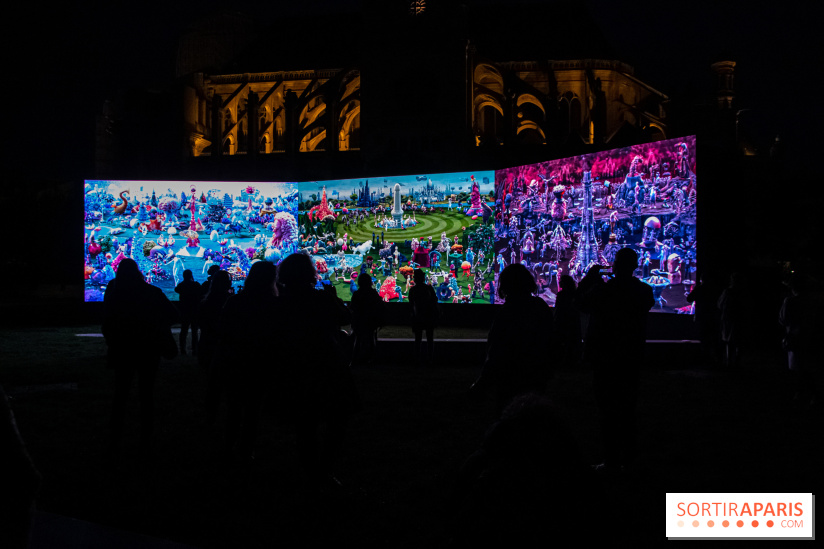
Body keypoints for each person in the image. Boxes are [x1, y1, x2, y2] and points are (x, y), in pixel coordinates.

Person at [273, 253, 357, 491]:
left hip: (295, 366)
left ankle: (313, 472)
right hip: (325, 363)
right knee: (336, 419)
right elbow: (345, 317)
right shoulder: (320, 298)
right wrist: (333, 298)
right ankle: (323, 471)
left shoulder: (281, 302)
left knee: (305, 424)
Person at [576, 248, 654, 473]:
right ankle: (629, 458)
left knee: (607, 410)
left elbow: (580, 303)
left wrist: (591, 278)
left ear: (616, 265)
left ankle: (611, 459)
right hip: (631, 355)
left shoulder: (604, 291)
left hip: (606, 355)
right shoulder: (644, 291)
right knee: (628, 408)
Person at [102, 258, 178, 460]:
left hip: (123, 350)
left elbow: (106, 324)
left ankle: (114, 440)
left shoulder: (115, 296)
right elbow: (173, 314)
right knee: (147, 394)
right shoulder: (151, 293)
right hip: (148, 350)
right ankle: (146, 439)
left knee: (121, 394)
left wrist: (114, 341)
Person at [471, 263, 553, 412]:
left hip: (511, 376)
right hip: (537, 374)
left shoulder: (508, 312)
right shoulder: (540, 306)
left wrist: (482, 382)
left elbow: (496, 350)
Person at [219, 261, 278, 462]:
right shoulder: (273, 304)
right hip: (259, 363)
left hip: (237, 360)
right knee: (252, 410)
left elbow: (224, 332)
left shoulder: (236, 301)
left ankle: (228, 449)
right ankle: (245, 451)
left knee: (234, 408)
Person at [779, 272, 820, 408]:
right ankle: (806, 394)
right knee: (809, 367)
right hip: (813, 337)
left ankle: (807, 394)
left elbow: (783, 320)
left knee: (801, 368)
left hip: (796, 338)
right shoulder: (815, 301)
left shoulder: (790, 301)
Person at [200, 270, 233, 424]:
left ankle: (209, 416)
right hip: (223, 345)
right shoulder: (229, 302)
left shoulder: (206, 302)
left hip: (208, 344)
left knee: (211, 382)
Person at [350, 272, 386, 366]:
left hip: (360, 321)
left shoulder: (357, 294)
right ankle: (372, 359)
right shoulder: (373, 293)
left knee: (358, 340)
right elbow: (380, 305)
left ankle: (354, 360)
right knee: (371, 339)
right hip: (370, 321)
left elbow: (353, 307)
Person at [408, 268, 438, 364]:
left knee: (418, 338)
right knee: (429, 338)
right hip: (428, 315)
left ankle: (417, 358)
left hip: (419, 316)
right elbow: (435, 300)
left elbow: (411, 303)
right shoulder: (428, 288)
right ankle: (430, 358)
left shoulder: (413, 290)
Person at [553, 274, 581, 368]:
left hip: (563, 320)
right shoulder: (575, 294)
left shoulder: (561, 295)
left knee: (563, 342)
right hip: (573, 320)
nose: (559, 282)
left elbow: (558, 309)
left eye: (561, 281)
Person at [175, 269, 202, 355]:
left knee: (184, 330)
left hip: (185, 310)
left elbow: (176, 289)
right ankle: (195, 349)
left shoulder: (181, 285)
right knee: (194, 331)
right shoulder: (195, 285)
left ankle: (182, 348)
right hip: (194, 310)